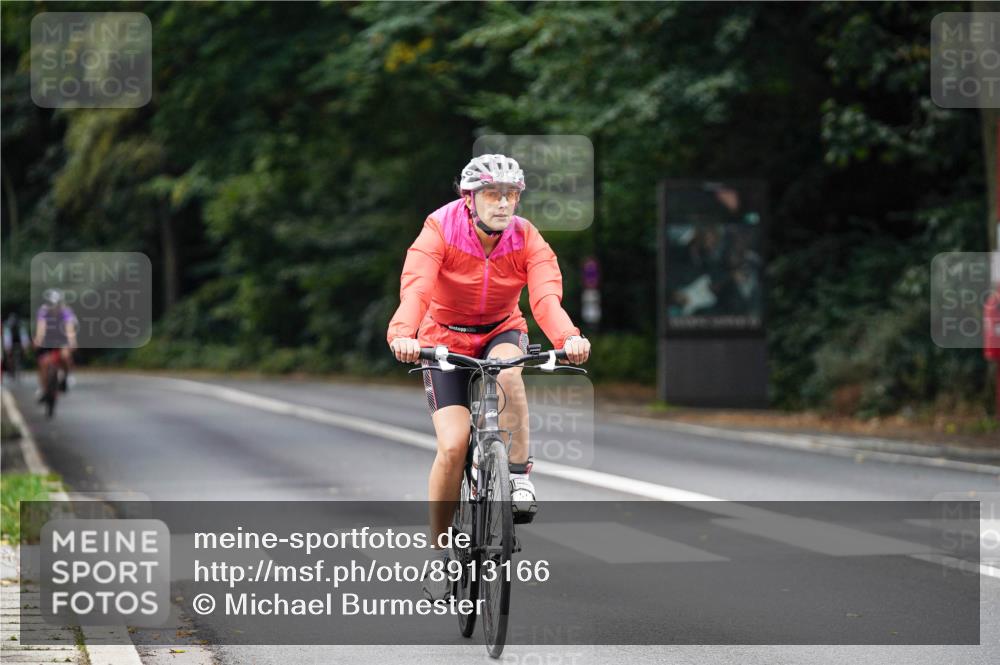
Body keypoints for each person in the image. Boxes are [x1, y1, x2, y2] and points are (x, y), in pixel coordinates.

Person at [386, 154, 590, 600]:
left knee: (509, 373)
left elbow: (545, 299)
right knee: (454, 445)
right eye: (493, 194)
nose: (503, 203)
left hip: (501, 330)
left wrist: (568, 337)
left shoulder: (526, 238)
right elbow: (416, 287)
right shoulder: (439, 228)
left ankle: (516, 474)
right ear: (470, 198)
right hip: (443, 338)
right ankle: (440, 552)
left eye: (511, 195)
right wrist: (402, 333)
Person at [33, 289, 78, 399]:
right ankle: (43, 388)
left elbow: (69, 328)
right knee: (43, 363)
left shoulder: (66, 312)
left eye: (56, 305)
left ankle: (67, 376)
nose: (53, 307)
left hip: (62, 338)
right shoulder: (43, 311)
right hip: (48, 338)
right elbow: (41, 327)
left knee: (65, 356)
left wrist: (72, 340)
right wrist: (38, 339)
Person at [2, 312, 31, 379]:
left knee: (21, 353)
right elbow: (7, 337)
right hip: (10, 340)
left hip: (18, 340)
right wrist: (8, 348)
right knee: (9, 355)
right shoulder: (7, 326)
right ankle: (10, 368)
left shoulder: (20, 325)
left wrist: (25, 347)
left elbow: (24, 336)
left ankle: (20, 365)